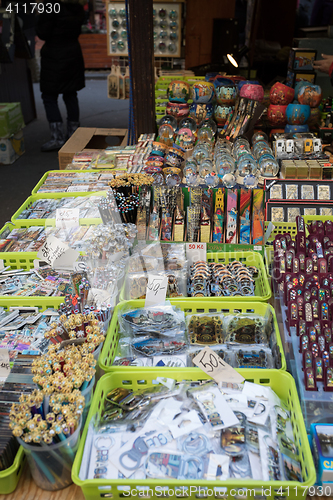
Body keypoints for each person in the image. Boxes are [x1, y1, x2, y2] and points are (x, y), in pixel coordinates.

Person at [36, 0, 86, 152]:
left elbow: (42, 33)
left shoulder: (51, 7)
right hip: (73, 53)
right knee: (70, 94)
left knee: (49, 96)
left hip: (54, 55)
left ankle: (57, 137)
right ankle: (73, 135)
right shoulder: (76, 7)